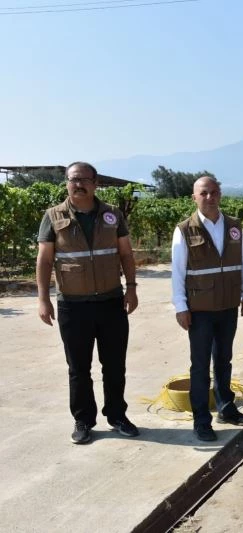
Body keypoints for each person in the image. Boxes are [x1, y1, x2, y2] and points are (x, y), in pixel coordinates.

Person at [36, 161, 139, 445]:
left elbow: (126, 255)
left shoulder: (113, 215)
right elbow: (45, 260)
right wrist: (43, 299)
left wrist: (131, 288)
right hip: (73, 305)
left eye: (83, 179)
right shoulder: (53, 217)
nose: (77, 184)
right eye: (72, 179)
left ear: (95, 183)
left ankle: (117, 415)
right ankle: (83, 420)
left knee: (115, 364)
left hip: (110, 302)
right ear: (66, 183)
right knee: (78, 368)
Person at [171, 176, 243, 442]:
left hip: (227, 305)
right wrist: (181, 307)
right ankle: (201, 420)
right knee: (200, 365)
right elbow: (177, 272)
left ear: (220, 194)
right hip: (200, 309)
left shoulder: (233, 227)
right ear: (194, 198)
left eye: (214, 192)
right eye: (203, 193)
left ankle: (226, 408)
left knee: (223, 360)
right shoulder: (184, 230)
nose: (209, 197)